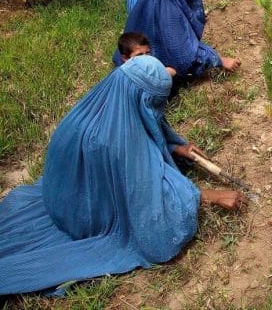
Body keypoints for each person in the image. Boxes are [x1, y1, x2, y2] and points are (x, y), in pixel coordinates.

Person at [0, 55, 246, 295]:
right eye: (154, 103)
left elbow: (146, 128)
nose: (157, 111)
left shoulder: (96, 107)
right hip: (84, 218)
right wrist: (205, 195)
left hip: (56, 198)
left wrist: (174, 146)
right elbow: (150, 209)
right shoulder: (117, 143)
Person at [113, 0, 241, 78]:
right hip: (148, 69)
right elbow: (183, 54)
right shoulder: (169, 17)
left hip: (135, 50)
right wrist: (218, 60)